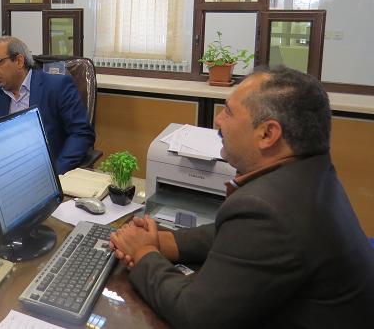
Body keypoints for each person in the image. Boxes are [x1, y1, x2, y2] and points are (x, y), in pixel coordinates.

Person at [110, 66, 374, 329]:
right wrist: (163, 242)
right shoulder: (311, 173)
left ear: (267, 134)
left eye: (228, 112)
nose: (218, 120)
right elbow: (234, 235)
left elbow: (195, 315)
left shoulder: (267, 209)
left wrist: (143, 253)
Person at [0, 36, 94, 174]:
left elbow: (81, 134)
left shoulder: (57, 86)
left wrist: (56, 173)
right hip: (7, 176)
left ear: (19, 61)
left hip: (47, 171)